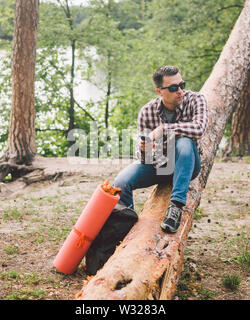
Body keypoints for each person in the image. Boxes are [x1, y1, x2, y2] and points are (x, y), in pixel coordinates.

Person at [85, 65, 208, 275]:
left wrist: (165, 130)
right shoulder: (147, 112)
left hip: (188, 163)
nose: (180, 90)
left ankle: (176, 207)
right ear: (159, 91)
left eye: (182, 84)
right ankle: (124, 232)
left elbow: (199, 128)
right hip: (160, 165)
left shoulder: (195, 100)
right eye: (173, 87)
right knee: (121, 181)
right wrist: (145, 149)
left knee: (185, 142)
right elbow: (146, 159)